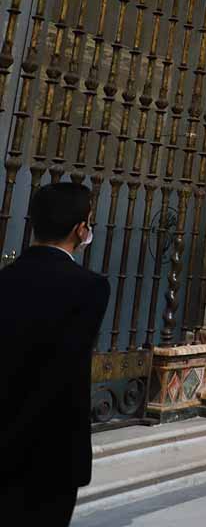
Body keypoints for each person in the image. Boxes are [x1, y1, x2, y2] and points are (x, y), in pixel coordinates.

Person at [0, 182, 111, 526]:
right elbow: (66, 366)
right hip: (55, 447)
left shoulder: (5, 280)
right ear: (81, 230)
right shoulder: (90, 288)